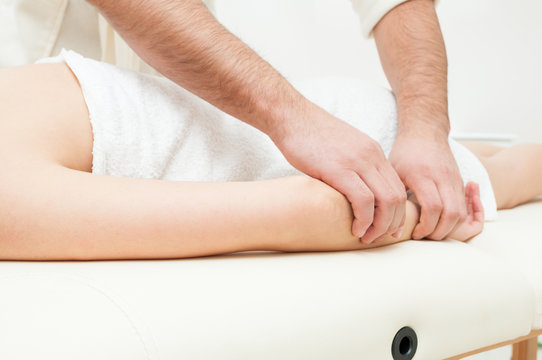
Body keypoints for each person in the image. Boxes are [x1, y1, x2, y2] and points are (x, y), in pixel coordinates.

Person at [2, 0, 465, 244]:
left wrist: (427, 127)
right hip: (225, 119)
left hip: (247, 119)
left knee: (493, 169)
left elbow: (316, 211)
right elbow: (310, 210)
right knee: (491, 170)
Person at [0, 53, 540, 261]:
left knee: (511, 172)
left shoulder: (13, 201)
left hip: (345, 137)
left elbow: (321, 209)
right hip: (308, 115)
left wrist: (426, 213)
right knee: (490, 158)